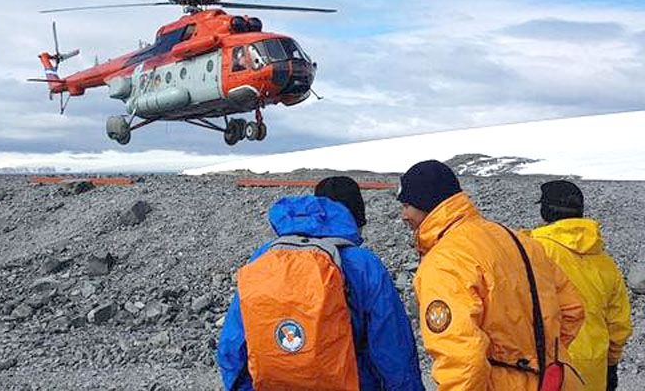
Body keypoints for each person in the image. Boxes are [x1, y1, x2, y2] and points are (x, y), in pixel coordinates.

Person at [217, 176, 424, 390]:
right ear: (355, 221)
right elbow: (392, 349)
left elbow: (232, 344)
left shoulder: (264, 257)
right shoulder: (364, 264)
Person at [397, 160, 585, 391]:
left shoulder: (444, 262)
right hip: (555, 382)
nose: (403, 215)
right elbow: (572, 310)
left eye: (406, 205)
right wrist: (543, 357)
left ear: (427, 202)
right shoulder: (521, 241)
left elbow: (462, 359)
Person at [528, 180, 632, 391]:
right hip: (593, 370)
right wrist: (611, 365)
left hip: (548, 370)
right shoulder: (605, 262)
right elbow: (618, 324)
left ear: (546, 211)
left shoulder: (533, 251)